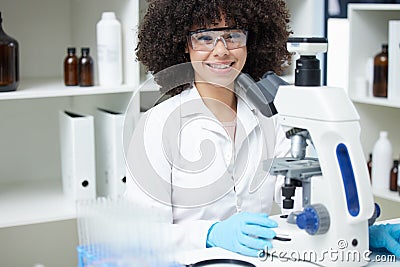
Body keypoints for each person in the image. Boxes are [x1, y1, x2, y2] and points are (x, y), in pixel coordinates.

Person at [124, 0, 400, 259]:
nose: (221, 50)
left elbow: (299, 193)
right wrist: (209, 234)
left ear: (250, 39)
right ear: (184, 44)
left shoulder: (273, 117)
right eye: (205, 37)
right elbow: (140, 234)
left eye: (233, 35)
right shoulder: (157, 125)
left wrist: (353, 226)